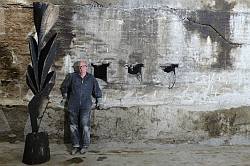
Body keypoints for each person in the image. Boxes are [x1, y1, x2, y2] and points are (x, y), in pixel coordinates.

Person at [61, 61, 103, 155]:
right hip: (73, 105)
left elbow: (96, 90)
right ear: (78, 68)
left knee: (85, 126)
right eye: (79, 67)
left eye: (83, 66)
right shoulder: (72, 77)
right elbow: (65, 87)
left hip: (85, 105)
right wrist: (65, 97)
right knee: (73, 126)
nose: (81, 68)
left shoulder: (91, 78)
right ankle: (75, 146)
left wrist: (99, 101)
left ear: (86, 67)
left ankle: (85, 146)